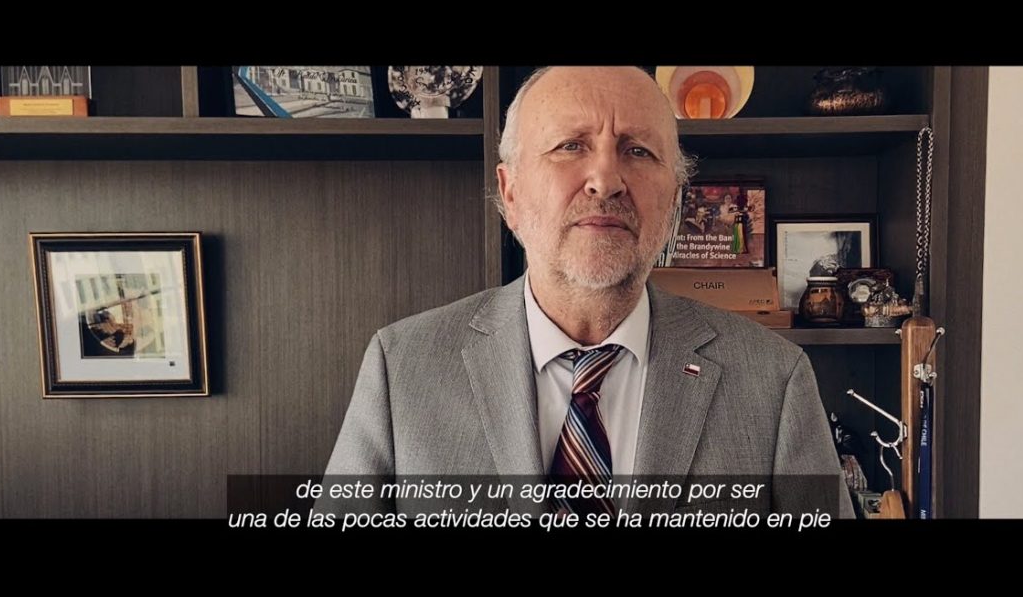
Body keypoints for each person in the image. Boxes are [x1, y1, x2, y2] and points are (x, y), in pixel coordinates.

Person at [318, 66, 853, 519]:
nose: (605, 179)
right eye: (570, 146)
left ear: (674, 202)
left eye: (638, 151)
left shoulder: (774, 379)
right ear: (510, 192)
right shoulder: (401, 367)